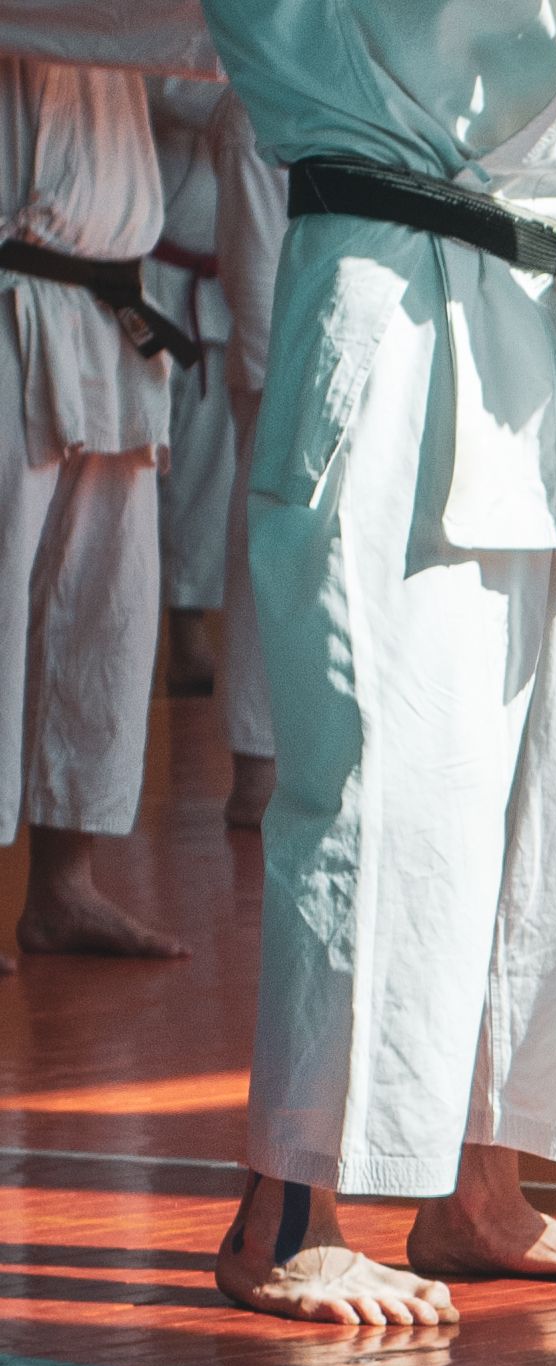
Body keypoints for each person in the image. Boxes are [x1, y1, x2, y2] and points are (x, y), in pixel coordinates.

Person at [199, 0, 556, 1326]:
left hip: (545, 313)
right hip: (394, 302)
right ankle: (290, 1212)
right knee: (384, 787)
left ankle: (480, 1189)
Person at [0, 10, 210, 976]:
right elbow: (155, 29)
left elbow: (180, 75)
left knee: (105, 610)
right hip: (14, 292)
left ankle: (62, 883)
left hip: (107, 301)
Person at [204, 76, 279, 834]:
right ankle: (256, 768)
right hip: (281, 364)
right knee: (263, 547)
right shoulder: (257, 98)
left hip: (364, 351)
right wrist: (269, 372)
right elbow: (252, 259)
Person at [144, 71, 228, 700]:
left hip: (216, 289)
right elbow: (177, 90)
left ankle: (185, 636)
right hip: (144, 279)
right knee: (137, 464)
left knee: (202, 473)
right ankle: (140, 626)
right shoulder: (162, 29)